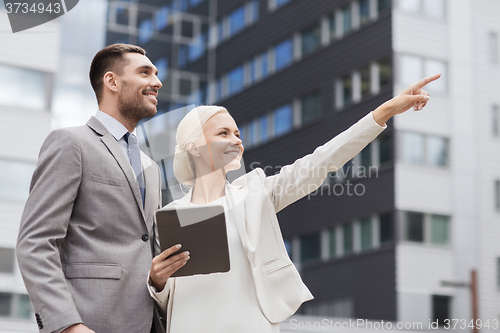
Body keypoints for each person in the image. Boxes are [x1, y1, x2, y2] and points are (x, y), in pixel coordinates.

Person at [148, 74, 441, 332]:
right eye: (223, 133)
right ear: (194, 147)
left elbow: (321, 161)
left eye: (237, 134)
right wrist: (157, 281)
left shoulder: (256, 194)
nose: (236, 141)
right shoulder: (169, 216)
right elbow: (166, 299)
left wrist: (385, 111)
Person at [16, 44, 184, 333]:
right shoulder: (71, 143)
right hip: (89, 322)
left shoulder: (150, 167)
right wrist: (67, 325)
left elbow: (145, 246)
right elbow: (35, 242)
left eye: (156, 74)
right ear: (112, 81)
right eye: (144, 72)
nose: (157, 82)